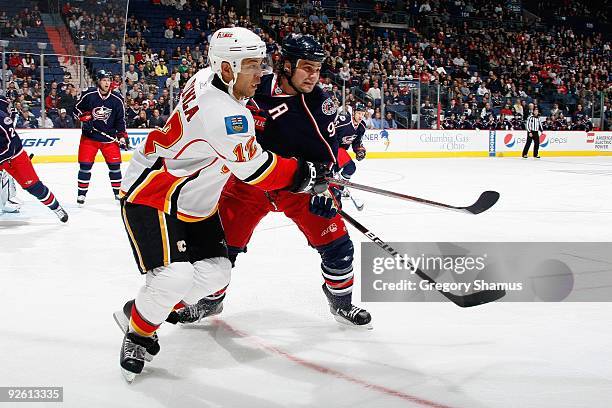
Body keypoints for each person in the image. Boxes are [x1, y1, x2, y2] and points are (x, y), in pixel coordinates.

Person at [113, 27, 330, 382]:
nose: (260, 74)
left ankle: (143, 310)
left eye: (260, 64)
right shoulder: (226, 116)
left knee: (217, 273)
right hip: (154, 194)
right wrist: (304, 173)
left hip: (195, 200)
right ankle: (138, 333)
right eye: (251, 67)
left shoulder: (206, 77)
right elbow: (257, 171)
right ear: (227, 69)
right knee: (174, 276)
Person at [181, 34, 372, 329]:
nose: (313, 76)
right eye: (306, 67)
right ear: (285, 65)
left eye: (318, 69)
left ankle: (341, 302)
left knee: (339, 247)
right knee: (219, 249)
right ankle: (210, 299)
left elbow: (331, 154)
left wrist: (326, 188)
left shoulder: (320, 104)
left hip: (300, 184)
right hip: (249, 185)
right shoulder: (253, 85)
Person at [0, 96, 68, 222]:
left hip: (15, 156)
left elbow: (10, 146)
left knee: (34, 187)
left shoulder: (2, 118)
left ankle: (56, 208)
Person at [73, 70, 128, 205]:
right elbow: (76, 109)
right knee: (85, 167)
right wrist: (84, 118)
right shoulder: (89, 95)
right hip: (89, 138)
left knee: (115, 167)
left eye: (109, 80)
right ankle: (81, 195)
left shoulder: (117, 99)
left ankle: (117, 194)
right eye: (104, 80)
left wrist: (122, 136)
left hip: (109, 139)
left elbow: (121, 121)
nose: (107, 83)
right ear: (98, 81)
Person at [334, 102, 367, 206]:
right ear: (353, 113)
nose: (361, 116)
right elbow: (328, 132)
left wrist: (359, 150)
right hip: (332, 149)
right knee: (349, 168)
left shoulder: (362, 126)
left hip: (341, 151)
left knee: (349, 169)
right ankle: (337, 193)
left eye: (363, 113)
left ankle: (338, 189)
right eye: (358, 113)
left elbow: (356, 142)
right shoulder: (343, 121)